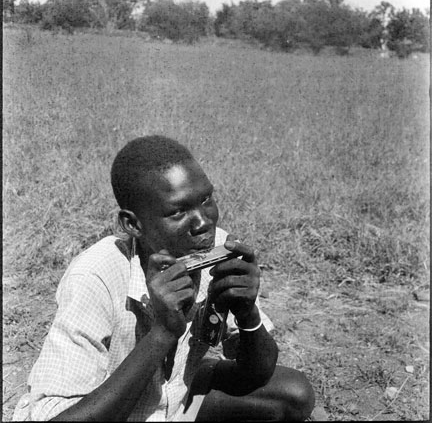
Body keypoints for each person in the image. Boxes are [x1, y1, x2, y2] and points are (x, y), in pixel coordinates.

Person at [13, 135, 315, 421]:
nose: (203, 222)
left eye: (206, 199)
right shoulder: (95, 277)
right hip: (109, 410)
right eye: (178, 211)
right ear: (133, 224)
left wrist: (248, 313)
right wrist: (164, 332)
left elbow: (257, 372)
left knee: (293, 393)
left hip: (173, 400)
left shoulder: (213, 248)